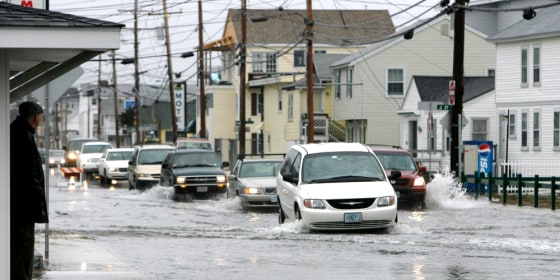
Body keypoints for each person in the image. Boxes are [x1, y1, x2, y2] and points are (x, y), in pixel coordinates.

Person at [10, 101, 49, 280]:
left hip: (19, 205)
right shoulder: (22, 135)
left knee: (21, 249)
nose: (40, 120)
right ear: (35, 117)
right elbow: (27, 172)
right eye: (40, 117)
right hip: (23, 207)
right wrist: (38, 194)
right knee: (23, 248)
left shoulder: (18, 131)